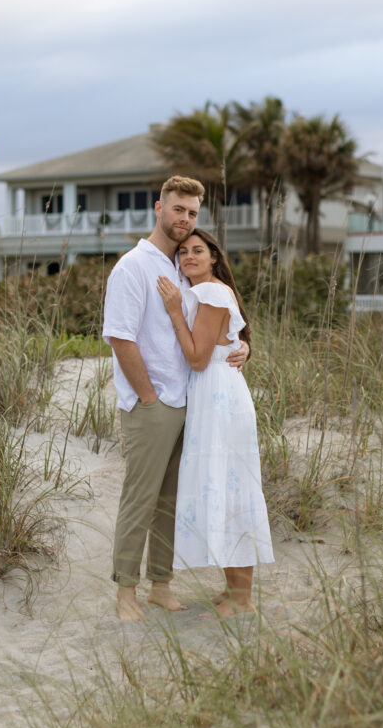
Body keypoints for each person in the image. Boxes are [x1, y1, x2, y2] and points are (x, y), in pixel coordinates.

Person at [102, 177, 248, 622]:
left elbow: (213, 326)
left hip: (193, 402)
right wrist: (148, 398)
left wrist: (241, 348)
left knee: (170, 501)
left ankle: (159, 586)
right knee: (141, 498)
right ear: (159, 207)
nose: (185, 220)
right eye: (178, 210)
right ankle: (125, 593)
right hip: (154, 404)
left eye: (192, 213)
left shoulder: (183, 267)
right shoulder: (133, 267)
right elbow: (120, 338)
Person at [156, 228, 274, 617]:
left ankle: (243, 599)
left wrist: (174, 311)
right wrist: (243, 346)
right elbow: (228, 341)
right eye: (184, 252)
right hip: (217, 396)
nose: (189, 256)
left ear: (213, 258)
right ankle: (233, 589)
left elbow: (197, 358)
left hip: (220, 401)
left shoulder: (210, 292)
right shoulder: (211, 291)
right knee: (225, 487)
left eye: (198, 251)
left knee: (231, 490)